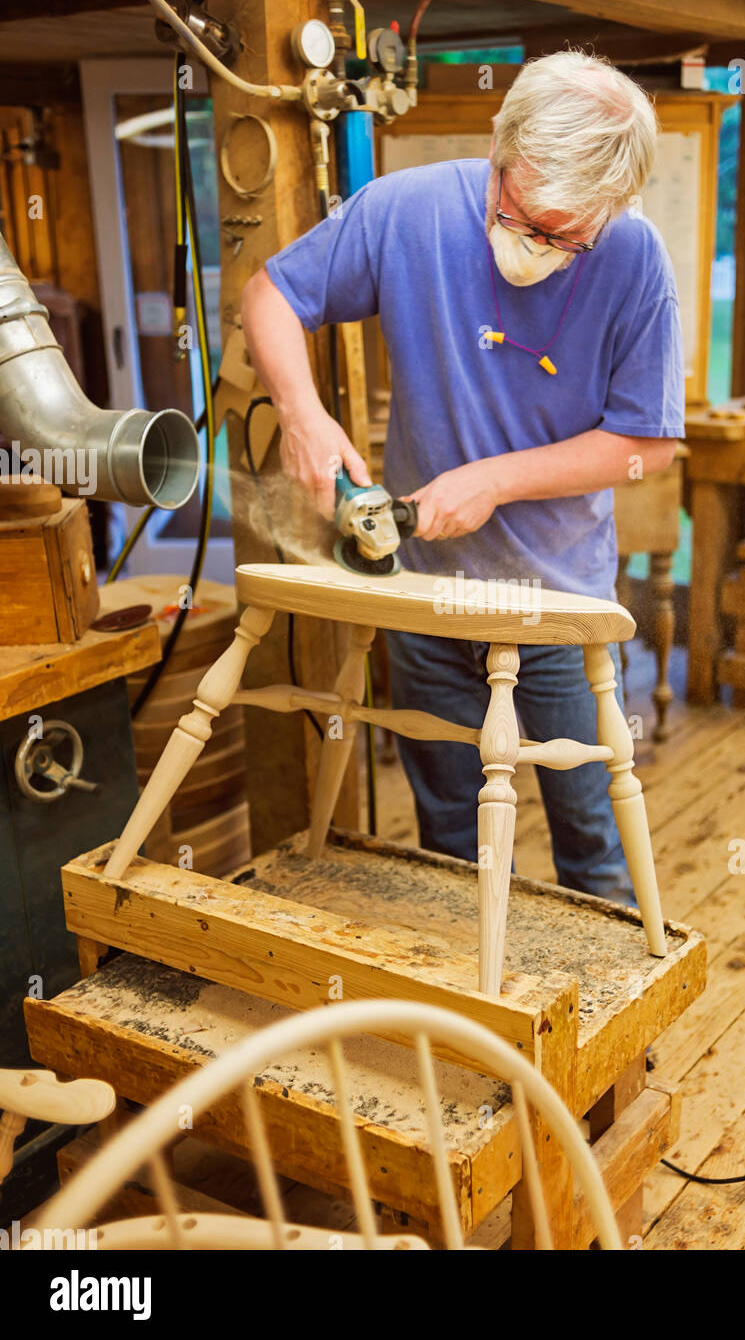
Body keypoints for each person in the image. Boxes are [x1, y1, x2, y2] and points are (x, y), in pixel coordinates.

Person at [241, 49, 684, 904]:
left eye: (568, 234)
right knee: (451, 841)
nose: (539, 246)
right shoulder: (405, 211)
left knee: (590, 839)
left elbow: (646, 446)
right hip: (426, 595)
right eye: (522, 216)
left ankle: (610, 1037)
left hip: (561, 603)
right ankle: (477, 1022)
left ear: (612, 205)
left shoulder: (632, 259)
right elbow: (269, 295)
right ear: (499, 146)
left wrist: (493, 481)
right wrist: (302, 414)